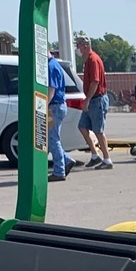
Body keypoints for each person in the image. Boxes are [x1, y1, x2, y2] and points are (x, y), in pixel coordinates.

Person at [76, 35, 112, 169]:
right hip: (92, 100)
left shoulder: (93, 60)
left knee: (98, 130)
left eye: (79, 45)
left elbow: (95, 81)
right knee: (82, 127)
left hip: (97, 100)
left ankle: (107, 159)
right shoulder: (88, 61)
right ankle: (95, 155)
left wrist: (88, 100)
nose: (77, 49)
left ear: (85, 46)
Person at [47, 52, 72, 181]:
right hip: (57, 106)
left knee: (53, 139)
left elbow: (51, 89)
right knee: (51, 139)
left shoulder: (51, 66)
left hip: (54, 107)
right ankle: (66, 160)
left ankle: (59, 171)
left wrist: (43, 105)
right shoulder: (54, 64)